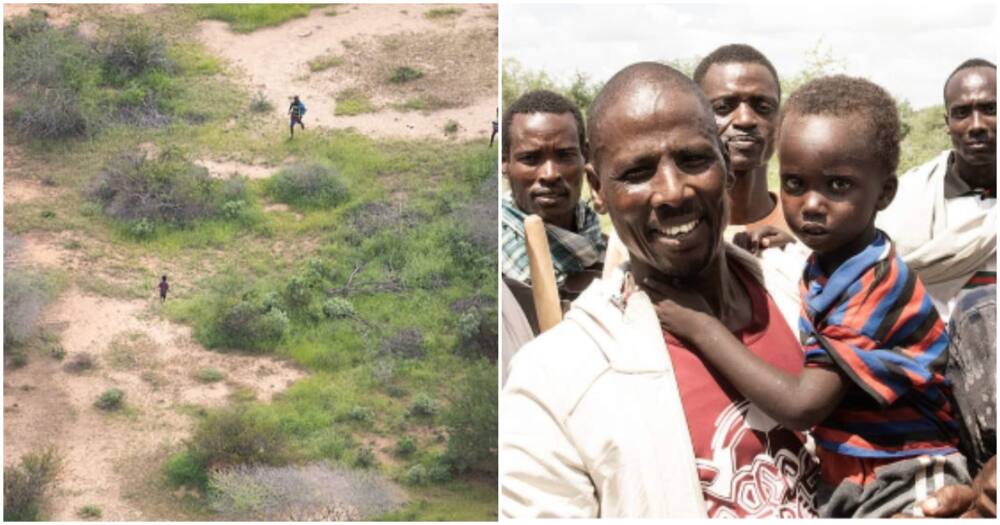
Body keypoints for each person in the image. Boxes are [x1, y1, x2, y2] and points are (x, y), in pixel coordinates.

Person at [501, 63, 819, 518]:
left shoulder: (808, 295)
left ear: (727, 166)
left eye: (693, 160)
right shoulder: (554, 381)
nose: (672, 192)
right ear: (598, 190)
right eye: (637, 172)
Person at [654, 75, 969, 518]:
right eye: (796, 184)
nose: (811, 204)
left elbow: (803, 406)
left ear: (885, 192)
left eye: (838, 186)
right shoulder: (835, 260)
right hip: (854, 476)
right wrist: (781, 243)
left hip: (909, 476)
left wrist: (701, 327)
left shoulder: (875, 286)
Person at [876, 59, 996, 321]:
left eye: (990, 109)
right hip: (927, 355)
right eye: (962, 112)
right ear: (947, 122)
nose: (977, 124)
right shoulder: (908, 197)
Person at [501, 90, 607, 326]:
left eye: (565, 156)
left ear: (585, 157)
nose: (550, 174)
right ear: (505, 163)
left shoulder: (614, 259)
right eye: (530, 158)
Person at [694, 43, 789, 238]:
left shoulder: (808, 228)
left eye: (762, 107)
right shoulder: (659, 235)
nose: (745, 119)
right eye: (722, 107)